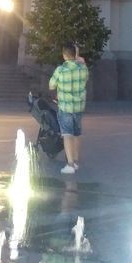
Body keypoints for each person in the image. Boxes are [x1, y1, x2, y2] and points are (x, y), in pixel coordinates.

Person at [48, 44, 89, 174]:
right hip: (78, 107)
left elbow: (51, 85)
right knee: (77, 134)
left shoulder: (61, 70)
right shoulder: (83, 69)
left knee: (67, 135)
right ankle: (76, 161)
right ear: (75, 55)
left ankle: (70, 164)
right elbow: (86, 78)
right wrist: (81, 61)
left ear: (64, 55)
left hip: (65, 106)